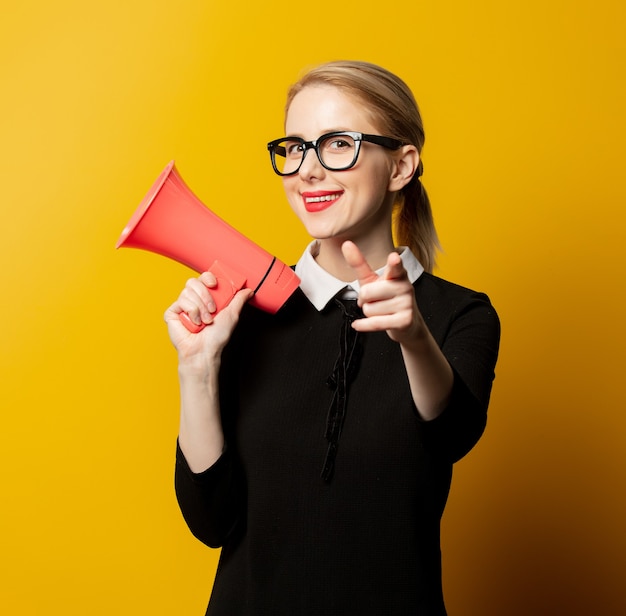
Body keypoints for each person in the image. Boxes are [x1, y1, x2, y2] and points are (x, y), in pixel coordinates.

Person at [165, 60, 500, 616]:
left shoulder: (458, 315)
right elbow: (211, 521)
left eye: (337, 144)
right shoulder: (242, 314)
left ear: (401, 166)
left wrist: (413, 335)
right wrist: (197, 369)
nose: (307, 171)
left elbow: (453, 435)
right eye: (294, 148)